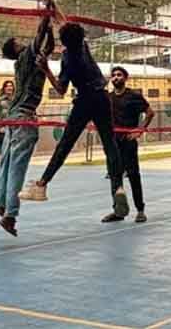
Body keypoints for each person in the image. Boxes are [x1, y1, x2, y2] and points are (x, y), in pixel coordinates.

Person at [20, 22, 130, 221]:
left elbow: (61, 90)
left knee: (65, 144)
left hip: (85, 100)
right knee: (110, 144)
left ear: (64, 41)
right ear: (80, 37)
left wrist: (46, 69)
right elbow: (67, 23)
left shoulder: (68, 58)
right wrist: (53, 7)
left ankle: (42, 184)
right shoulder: (83, 46)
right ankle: (118, 188)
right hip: (102, 97)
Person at [0, 0, 56, 236]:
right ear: (16, 49)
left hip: (13, 117)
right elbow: (40, 36)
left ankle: (1, 204)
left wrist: (49, 25)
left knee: (6, 164)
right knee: (16, 167)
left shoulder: (29, 62)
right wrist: (47, 12)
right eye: (19, 42)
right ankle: (10, 213)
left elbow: (47, 45)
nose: (23, 43)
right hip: (24, 117)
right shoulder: (26, 57)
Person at [105, 66, 155, 223]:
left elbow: (150, 112)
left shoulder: (133, 96)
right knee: (115, 176)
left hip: (129, 142)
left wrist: (140, 130)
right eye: (113, 75)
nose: (115, 78)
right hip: (114, 143)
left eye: (119, 75)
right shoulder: (109, 97)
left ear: (125, 78)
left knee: (133, 175)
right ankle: (118, 211)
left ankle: (140, 210)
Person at [0, 80, 15, 150]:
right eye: (7, 86)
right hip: (2, 131)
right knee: (4, 152)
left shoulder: (16, 101)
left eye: (11, 86)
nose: (9, 88)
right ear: (4, 88)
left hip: (14, 131)